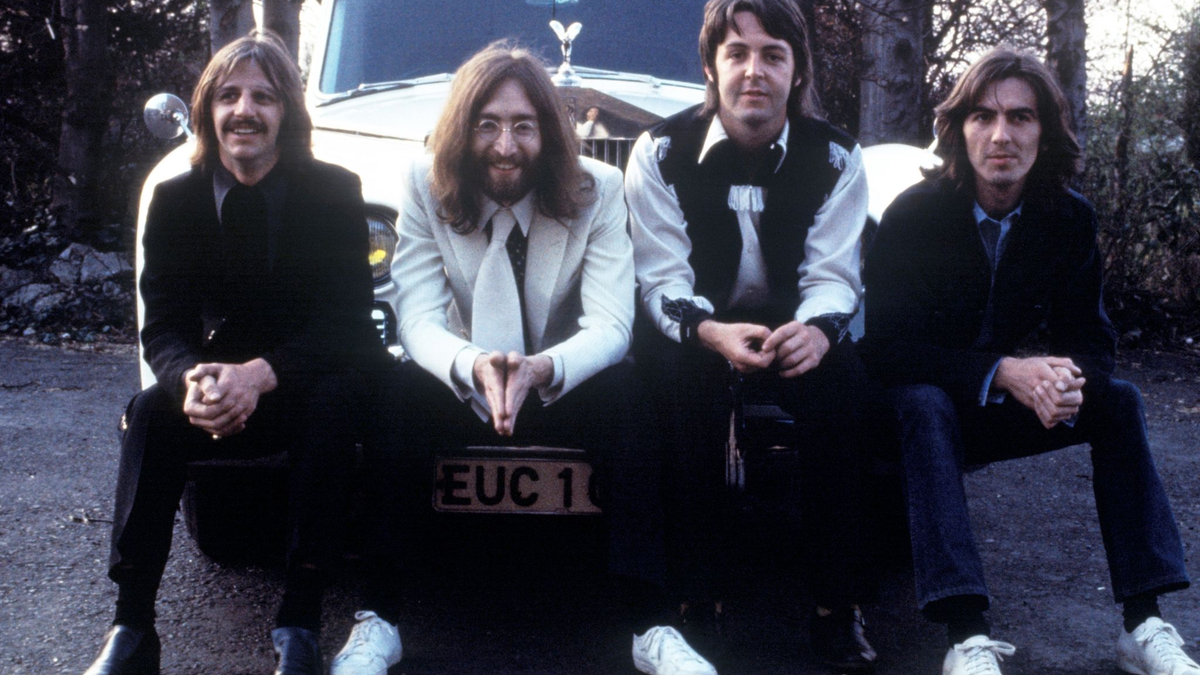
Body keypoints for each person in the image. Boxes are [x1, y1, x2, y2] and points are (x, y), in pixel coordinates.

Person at [861, 46, 1198, 675]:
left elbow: (1094, 341)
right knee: (925, 401)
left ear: (1045, 130)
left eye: (1021, 117)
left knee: (1119, 401)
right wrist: (1006, 373)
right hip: (899, 411)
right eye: (983, 117)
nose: (1001, 135)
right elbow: (883, 349)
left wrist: (1068, 381)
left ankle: (1144, 623)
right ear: (958, 129)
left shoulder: (1066, 219)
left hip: (984, 409)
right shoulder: (915, 214)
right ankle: (966, 635)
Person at [335, 42, 664, 675]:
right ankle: (378, 618)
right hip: (464, 382)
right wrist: (470, 367)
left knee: (632, 397)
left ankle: (650, 624)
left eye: (522, 125)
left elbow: (613, 324)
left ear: (548, 130)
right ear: (463, 129)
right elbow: (421, 318)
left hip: (556, 382)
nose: (505, 146)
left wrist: (545, 370)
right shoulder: (424, 185)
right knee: (396, 393)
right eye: (486, 124)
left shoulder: (599, 189)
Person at [79, 31, 386, 675]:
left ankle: (299, 624)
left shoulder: (334, 192)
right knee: (150, 413)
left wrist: (261, 375)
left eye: (263, 97)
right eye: (229, 95)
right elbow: (161, 324)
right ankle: (132, 627)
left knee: (335, 410)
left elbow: (348, 322)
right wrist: (191, 380)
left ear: (288, 115)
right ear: (206, 110)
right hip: (218, 379)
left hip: (308, 376)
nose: (244, 109)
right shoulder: (174, 198)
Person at [624, 0, 882, 671]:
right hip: (699, 322)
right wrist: (708, 331)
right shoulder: (659, 152)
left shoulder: (837, 157)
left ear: (797, 71)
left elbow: (833, 273)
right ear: (712, 65)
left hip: (797, 322)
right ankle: (695, 600)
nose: (754, 71)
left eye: (773, 54)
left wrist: (820, 330)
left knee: (845, 390)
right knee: (682, 387)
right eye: (737, 53)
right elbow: (659, 277)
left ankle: (836, 606)